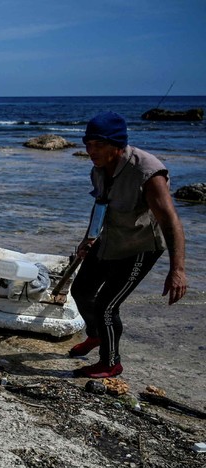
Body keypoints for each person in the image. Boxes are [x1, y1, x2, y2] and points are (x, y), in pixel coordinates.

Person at [68, 112, 187, 379]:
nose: (90, 151)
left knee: (106, 306)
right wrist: (88, 238)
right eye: (88, 144)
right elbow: (100, 205)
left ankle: (111, 363)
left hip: (140, 247)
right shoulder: (98, 169)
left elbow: (171, 222)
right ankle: (97, 335)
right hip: (110, 238)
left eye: (98, 145)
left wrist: (177, 269)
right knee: (81, 291)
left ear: (117, 145)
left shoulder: (147, 172)